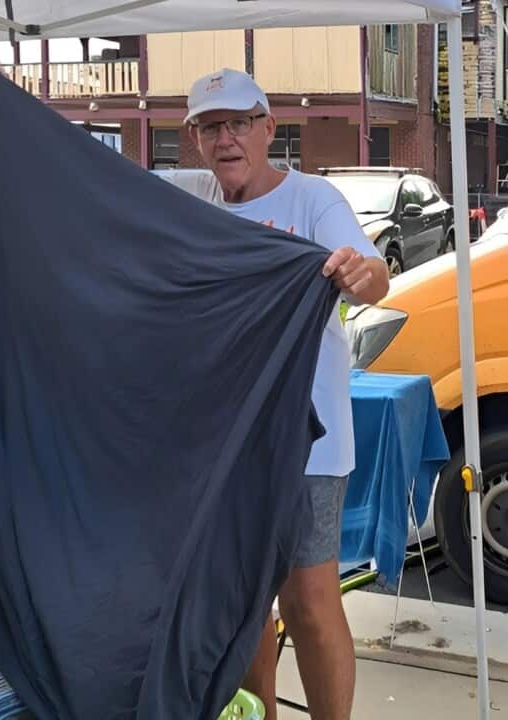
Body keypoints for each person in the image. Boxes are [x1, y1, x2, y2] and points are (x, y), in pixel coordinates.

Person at [185, 68, 390, 720]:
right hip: (230, 441)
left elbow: (371, 275)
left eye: (239, 123)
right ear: (195, 139)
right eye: (211, 127)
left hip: (310, 440)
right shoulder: (195, 210)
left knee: (308, 599)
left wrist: (363, 273)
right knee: (246, 602)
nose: (226, 139)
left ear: (268, 128)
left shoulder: (312, 201)